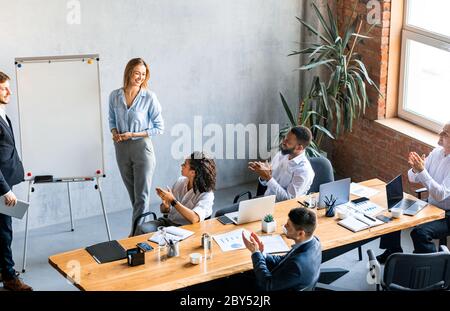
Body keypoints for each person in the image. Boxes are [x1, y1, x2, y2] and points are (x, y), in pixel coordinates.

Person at [377, 121, 450, 263]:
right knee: (394, 210)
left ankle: (432, 268)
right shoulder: (436, 153)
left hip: (447, 214)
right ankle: (393, 250)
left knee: (420, 233)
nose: (440, 134)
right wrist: (417, 168)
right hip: (431, 205)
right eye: (442, 130)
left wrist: (422, 171)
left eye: (445, 134)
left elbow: (440, 195)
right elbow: (411, 177)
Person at [109, 58, 164, 236]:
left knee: (141, 197)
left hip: (142, 149)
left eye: (143, 74)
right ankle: (145, 231)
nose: (140, 77)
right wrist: (115, 131)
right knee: (134, 197)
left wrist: (133, 134)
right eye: (137, 73)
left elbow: (159, 127)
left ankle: (134, 236)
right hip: (121, 149)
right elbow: (111, 119)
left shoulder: (149, 97)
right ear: (129, 73)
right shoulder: (115, 95)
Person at [0, 71, 33, 291]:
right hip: (1, 187)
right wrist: (4, 190)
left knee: (4, 231)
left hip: (6, 182)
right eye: (3, 88)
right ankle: (10, 278)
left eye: (8, 87)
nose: (9, 92)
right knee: (4, 232)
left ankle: (7, 272)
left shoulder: (3, 113)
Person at [241, 207, 321, 291]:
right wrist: (262, 253)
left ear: (301, 233)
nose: (285, 226)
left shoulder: (297, 264)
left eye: (288, 225)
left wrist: (255, 253)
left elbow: (267, 284)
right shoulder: (314, 242)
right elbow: (283, 261)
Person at [136, 152, 216, 235]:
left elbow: (194, 218)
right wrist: (166, 206)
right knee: (142, 229)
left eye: (184, 164)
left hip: (187, 230)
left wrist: (172, 200)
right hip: (169, 223)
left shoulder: (207, 194)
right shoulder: (180, 182)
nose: (181, 166)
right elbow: (165, 211)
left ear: (193, 172)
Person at [249, 125, 315, 202]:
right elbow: (268, 184)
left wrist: (268, 178)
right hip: (266, 201)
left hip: (284, 209)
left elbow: (288, 200)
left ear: (299, 148)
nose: (283, 142)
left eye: (288, 141)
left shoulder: (304, 171)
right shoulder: (281, 155)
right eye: (285, 138)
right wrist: (263, 175)